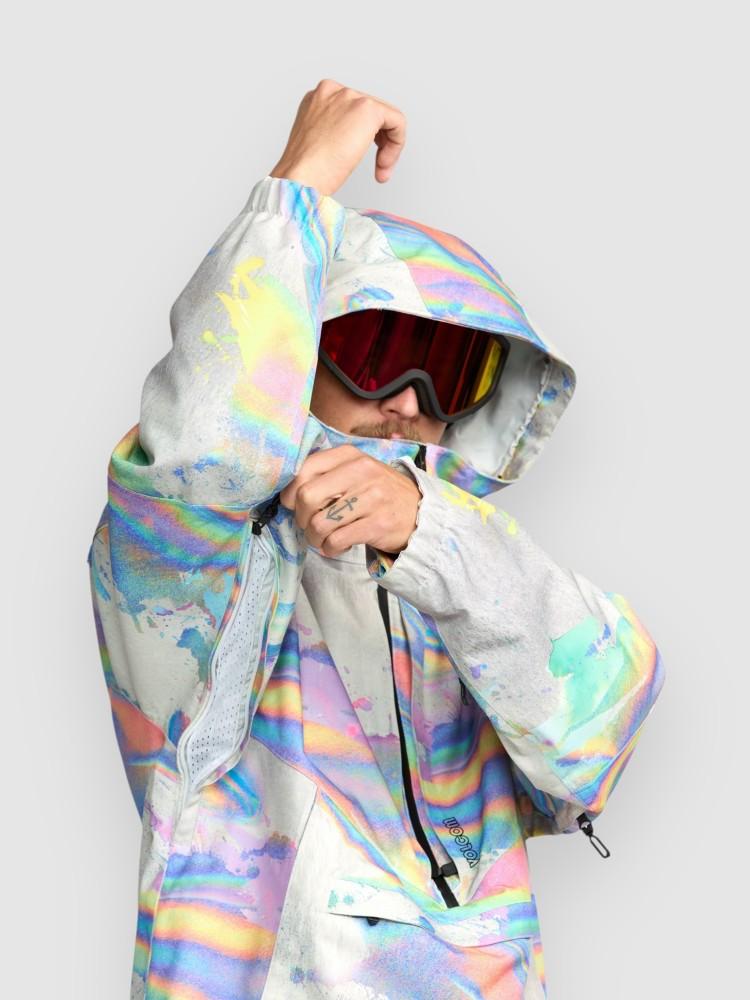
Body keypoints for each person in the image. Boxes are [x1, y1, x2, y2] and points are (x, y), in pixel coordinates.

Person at [87, 79, 665, 999]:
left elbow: (600, 724)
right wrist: (297, 189)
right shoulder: (193, 570)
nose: (405, 401)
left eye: (449, 372)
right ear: (301, 350)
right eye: (375, 350)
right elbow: (205, 454)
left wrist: (432, 537)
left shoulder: (472, 568)